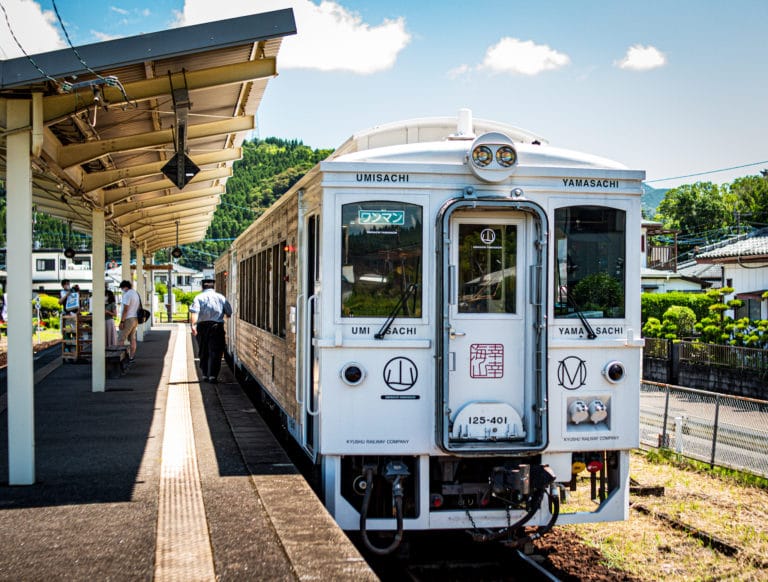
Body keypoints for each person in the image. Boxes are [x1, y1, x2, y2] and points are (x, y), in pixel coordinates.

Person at [189, 279, 232, 383]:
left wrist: (193, 326)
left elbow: (194, 312)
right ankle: (213, 376)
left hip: (202, 327)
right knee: (216, 351)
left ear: (202, 287)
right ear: (213, 286)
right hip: (217, 327)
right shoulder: (221, 297)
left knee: (203, 350)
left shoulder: (198, 297)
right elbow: (229, 313)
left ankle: (204, 374)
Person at [117, 280, 140, 362]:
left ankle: (119, 359)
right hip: (135, 318)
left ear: (125, 287)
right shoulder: (135, 293)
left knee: (121, 339)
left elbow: (125, 309)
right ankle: (131, 357)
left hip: (128, 319)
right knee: (132, 338)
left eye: (122, 288)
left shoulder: (127, 295)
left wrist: (122, 321)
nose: (122, 290)